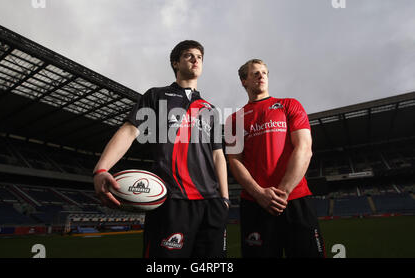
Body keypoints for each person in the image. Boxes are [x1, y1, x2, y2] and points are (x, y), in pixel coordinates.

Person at [93, 40, 229, 258]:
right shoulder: (156, 96)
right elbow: (129, 131)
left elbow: (218, 155)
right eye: (189, 55)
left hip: (211, 204)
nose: (196, 60)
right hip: (171, 201)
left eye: (200, 57)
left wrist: (224, 198)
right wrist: (101, 169)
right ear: (176, 63)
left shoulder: (210, 110)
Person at [226, 59, 325, 258]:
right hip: (255, 203)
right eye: (254, 73)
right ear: (244, 81)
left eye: (264, 72)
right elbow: (234, 160)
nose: (261, 76)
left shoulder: (290, 105)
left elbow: (304, 148)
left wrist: (283, 193)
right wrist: (259, 193)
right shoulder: (233, 119)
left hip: (295, 199)